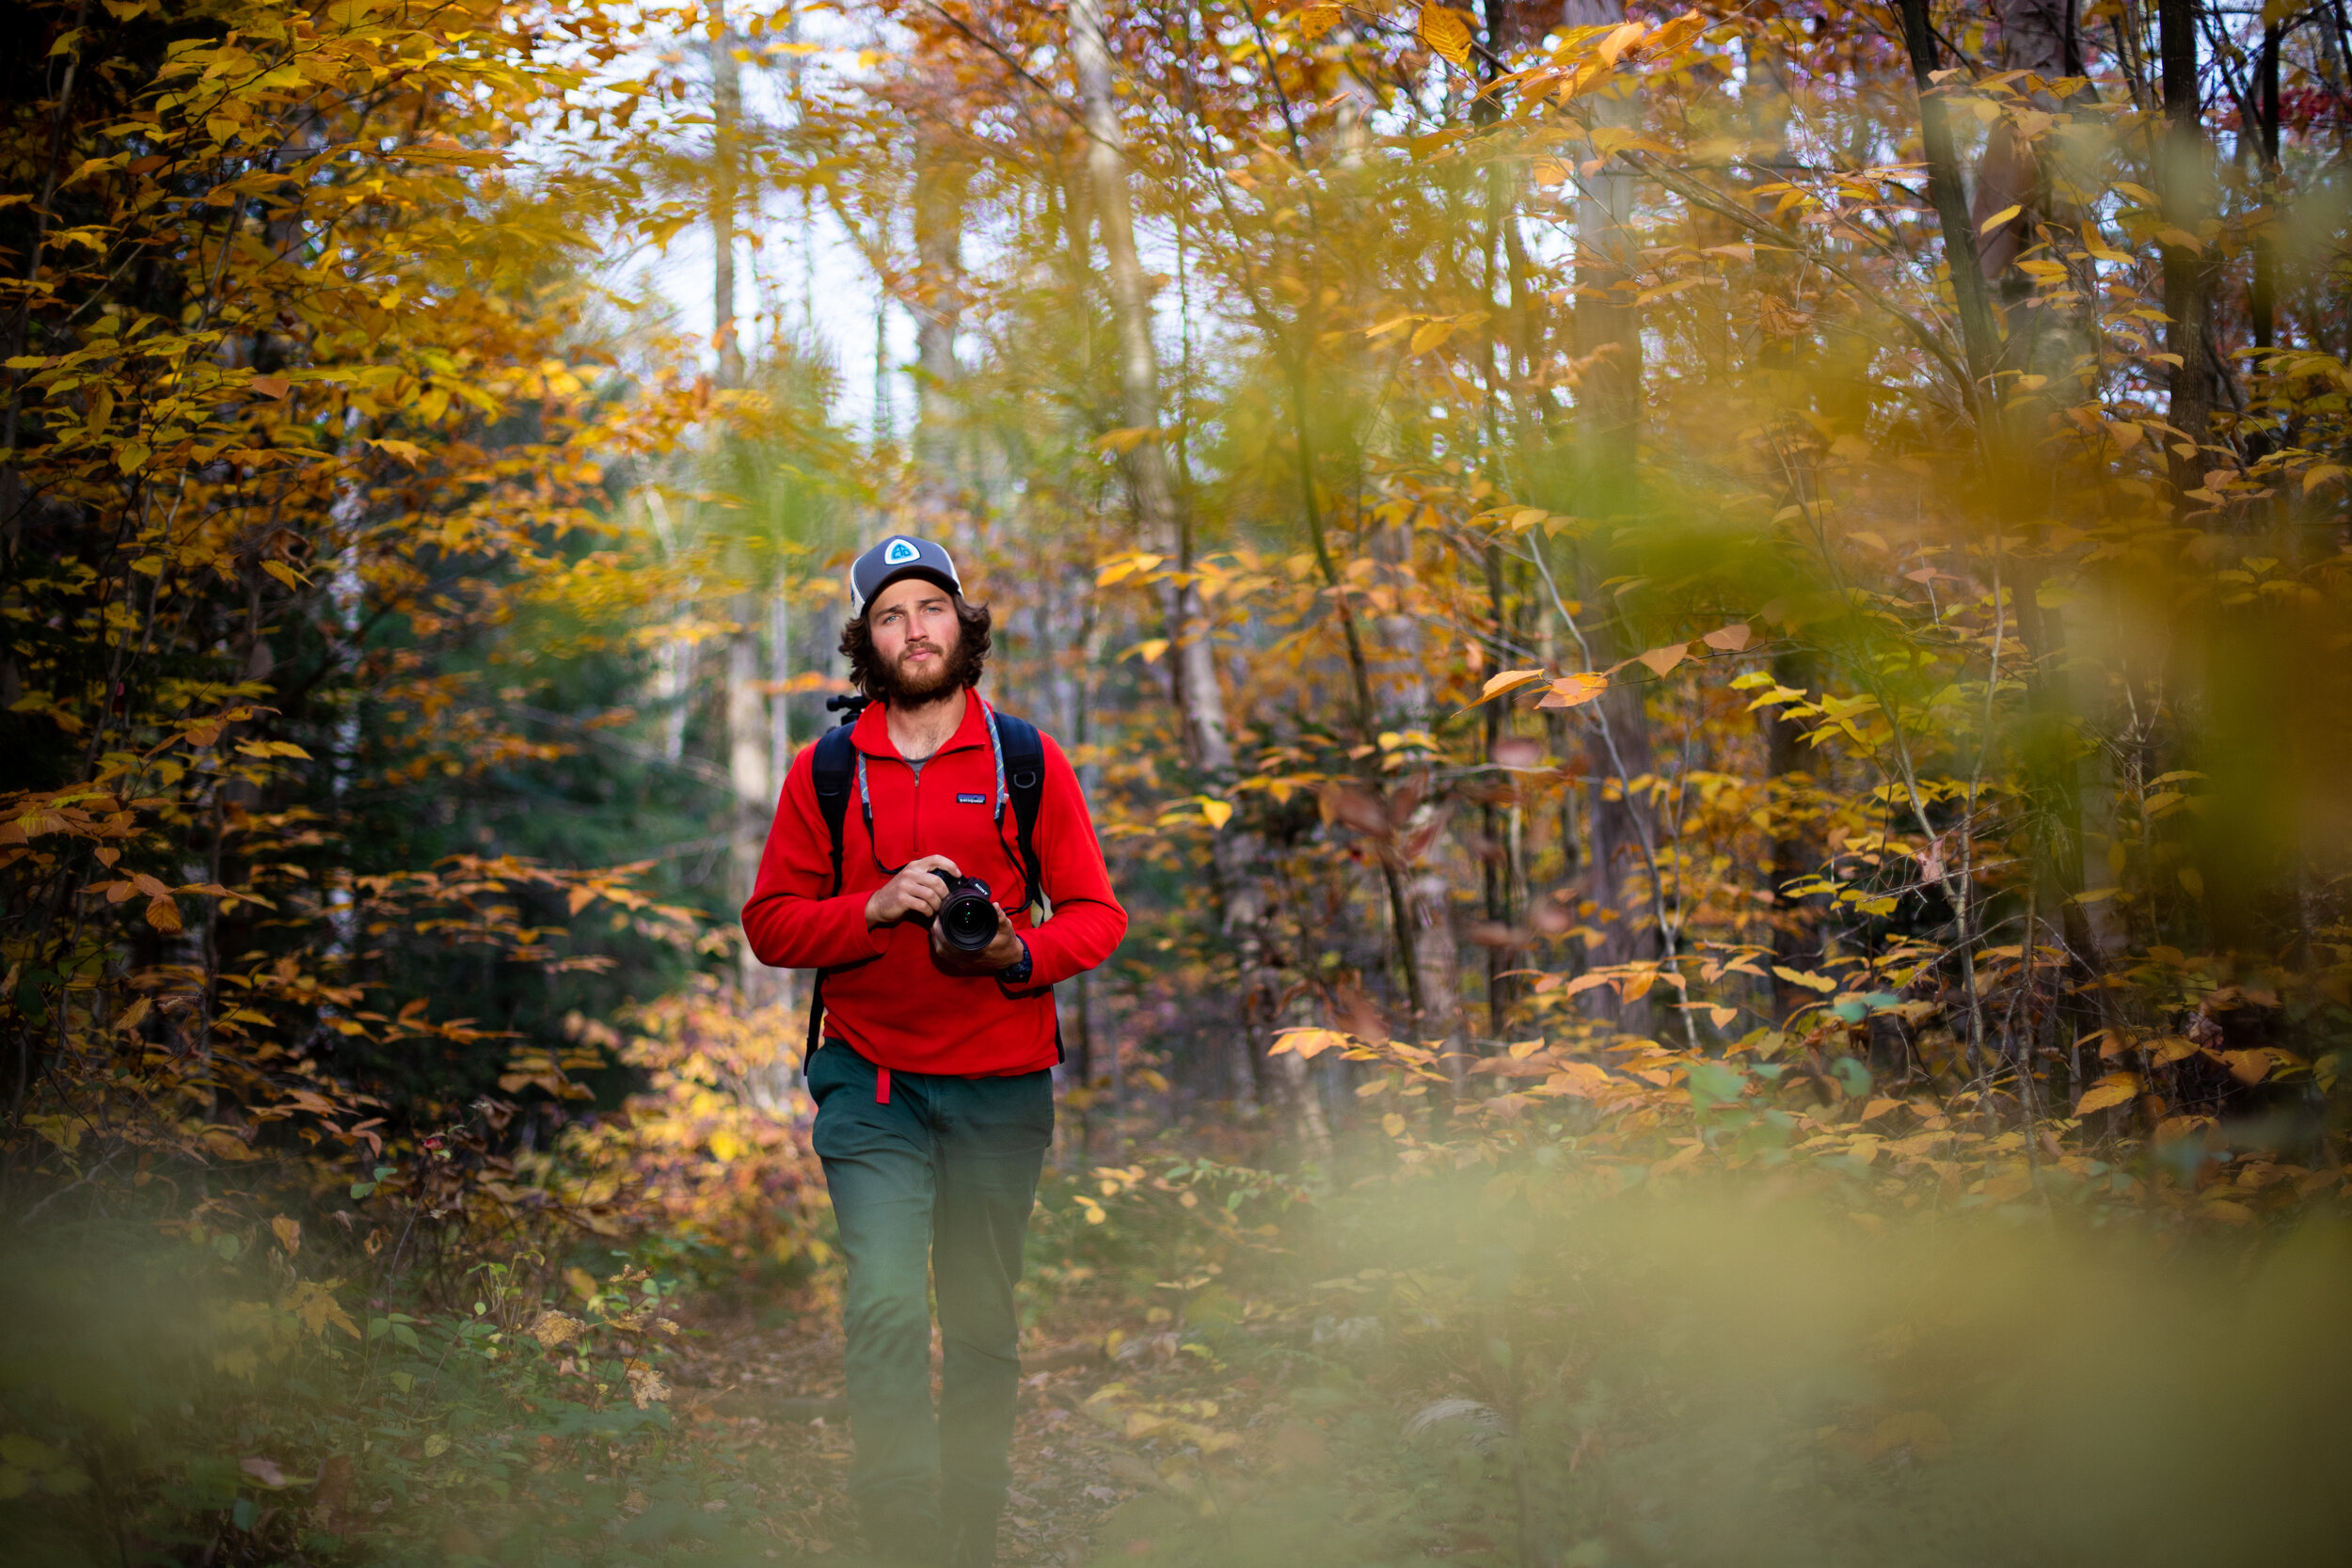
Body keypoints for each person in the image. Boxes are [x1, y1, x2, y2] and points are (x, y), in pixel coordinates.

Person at [742, 535, 1126, 1568]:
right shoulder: (826, 770)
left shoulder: (1026, 761)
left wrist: (1015, 951)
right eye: (889, 614)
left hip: (1000, 1088)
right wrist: (869, 906)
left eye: (932, 607)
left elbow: (1096, 917)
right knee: (881, 1297)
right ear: (865, 641)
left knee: (981, 1316)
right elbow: (770, 925)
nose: (915, 629)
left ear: (964, 623)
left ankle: (971, 1519)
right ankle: (900, 1526)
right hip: (870, 1079)